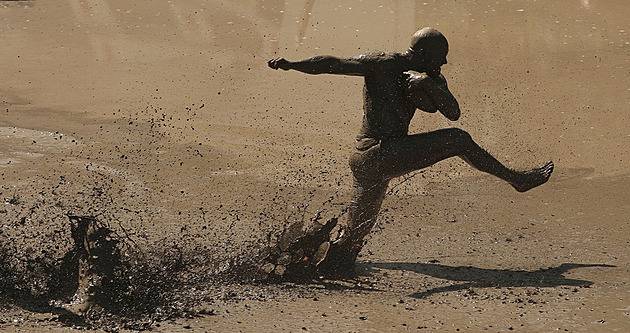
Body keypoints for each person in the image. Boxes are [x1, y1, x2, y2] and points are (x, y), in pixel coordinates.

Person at [268, 27, 553, 269]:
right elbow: (334, 63)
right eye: (441, 58)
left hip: (380, 159)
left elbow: (452, 111)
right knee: (457, 139)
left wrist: (428, 82)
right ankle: (517, 180)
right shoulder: (384, 64)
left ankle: (298, 260)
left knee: (352, 241)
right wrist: (292, 64)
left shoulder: (430, 77)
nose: (445, 63)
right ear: (424, 55)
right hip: (376, 152)